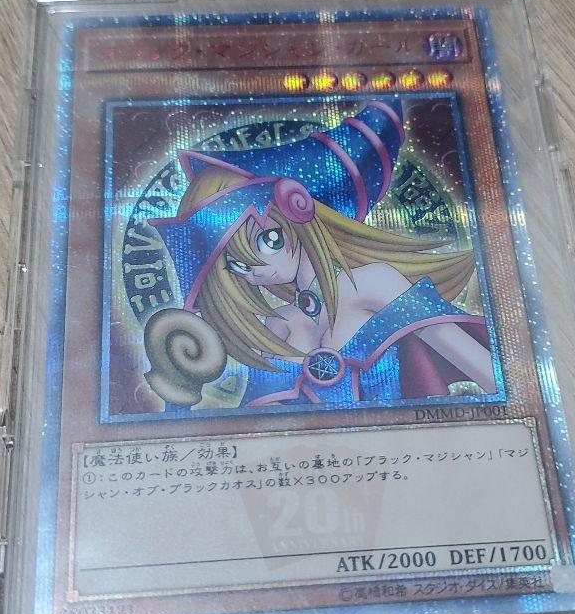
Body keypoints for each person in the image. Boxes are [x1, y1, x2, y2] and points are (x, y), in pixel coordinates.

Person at [147, 100, 496, 408]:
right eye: (237, 264)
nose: (256, 271)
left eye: (267, 240)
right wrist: (179, 393)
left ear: (297, 213)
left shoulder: (374, 282)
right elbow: (261, 426)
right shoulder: (278, 323)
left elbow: (487, 373)